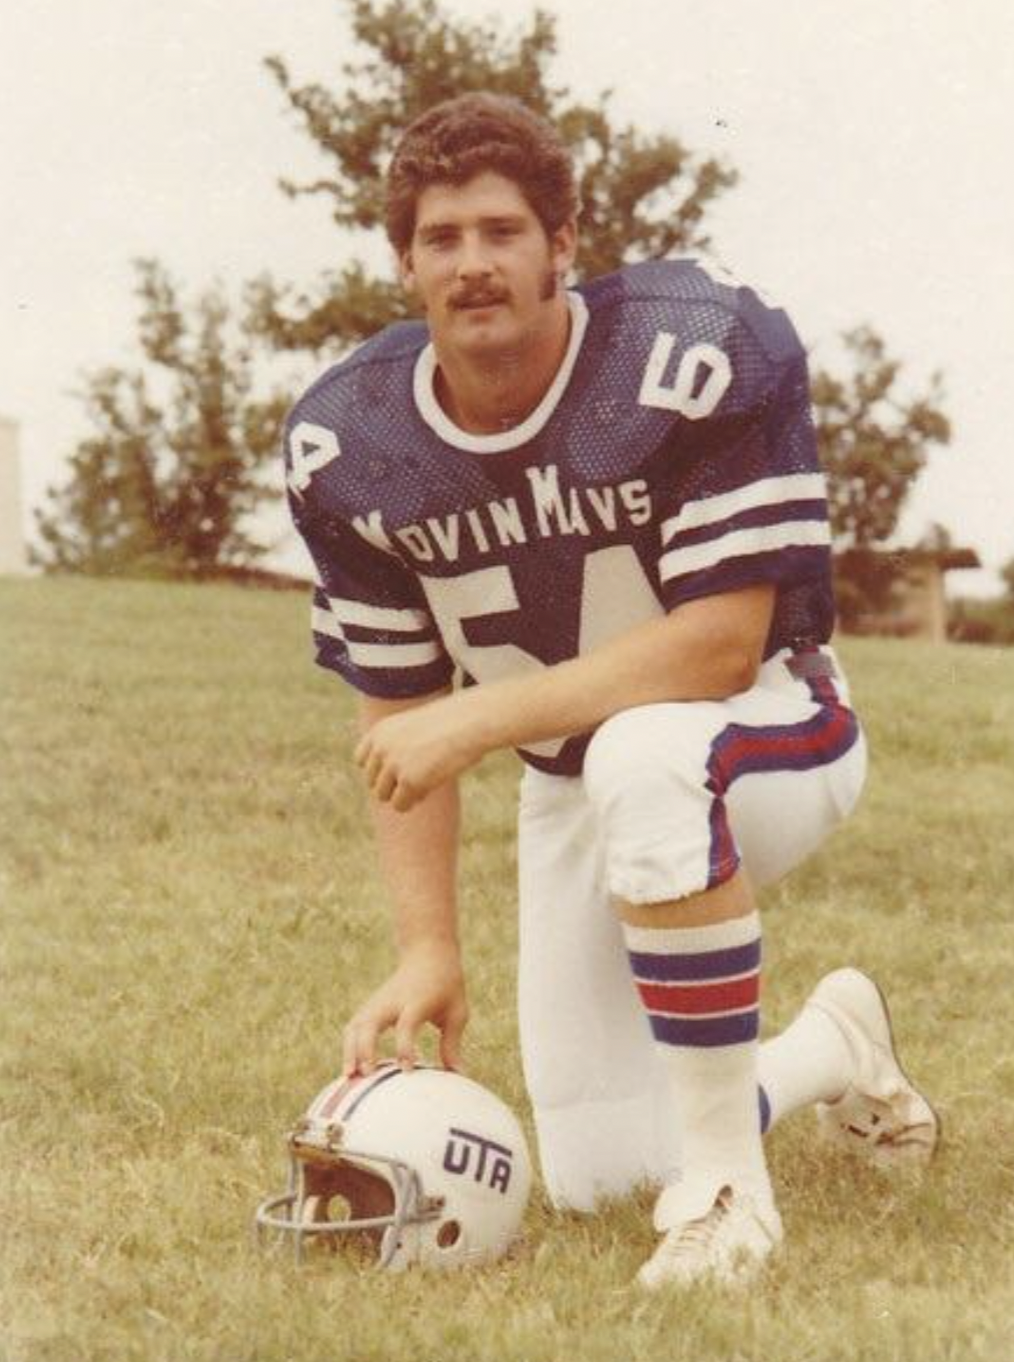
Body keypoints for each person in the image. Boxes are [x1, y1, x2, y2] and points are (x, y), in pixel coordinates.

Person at [284, 92, 938, 1288]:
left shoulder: (687, 348)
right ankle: (830, 1045)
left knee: (643, 752)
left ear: (562, 244)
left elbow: (715, 649)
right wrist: (428, 946)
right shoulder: (350, 441)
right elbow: (395, 722)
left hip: (770, 729)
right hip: (576, 781)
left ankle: (728, 1193)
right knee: (598, 1174)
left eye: (500, 231)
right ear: (403, 260)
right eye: (442, 238)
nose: (473, 263)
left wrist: (475, 717)